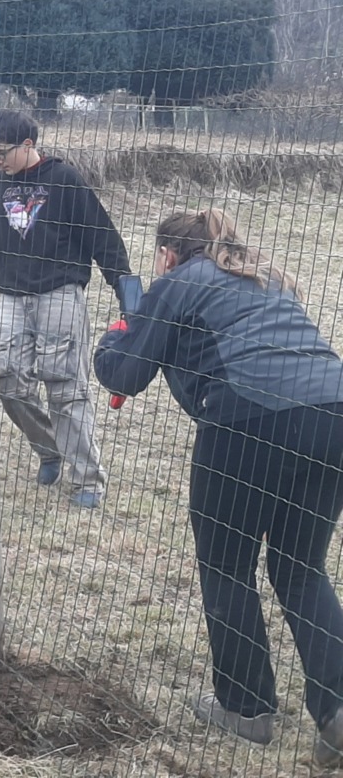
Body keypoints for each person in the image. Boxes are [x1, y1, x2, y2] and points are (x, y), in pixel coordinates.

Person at [94, 209, 343, 761]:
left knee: (226, 563)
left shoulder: (175, 281)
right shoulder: (265, 277)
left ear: (167, 254)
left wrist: (112, 340)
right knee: (300, 568)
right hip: (334, 414)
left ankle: (247, 706)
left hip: (248, 417)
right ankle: (339, 708)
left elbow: (126, 375)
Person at [0, 109, 137, 510]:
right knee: (6, 380)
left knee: (63, 385)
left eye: (3, 152)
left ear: (28, 145)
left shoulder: (64, 180)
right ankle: (49, 449)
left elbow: (104, 239)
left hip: (59, 291)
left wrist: (129, 296)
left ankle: (87, 480)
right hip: (7, 295)